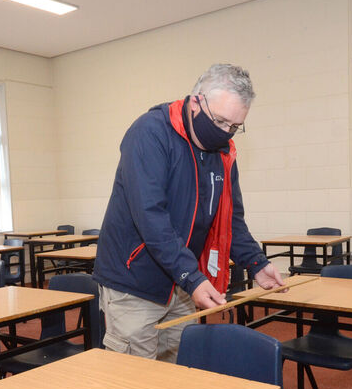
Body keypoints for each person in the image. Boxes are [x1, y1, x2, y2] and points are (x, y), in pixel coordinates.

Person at [93, 63, 284, 362]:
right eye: (220, 121)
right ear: (196, 101)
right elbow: (151, 218)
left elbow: (230, 219)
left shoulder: (223, 151)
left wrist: (256, 262)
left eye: (234, 126)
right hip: (135, 281)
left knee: (180, 374)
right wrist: (192, 278)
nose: (225, 133)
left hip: (179, 281)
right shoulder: (150, 133)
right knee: (132, 384)